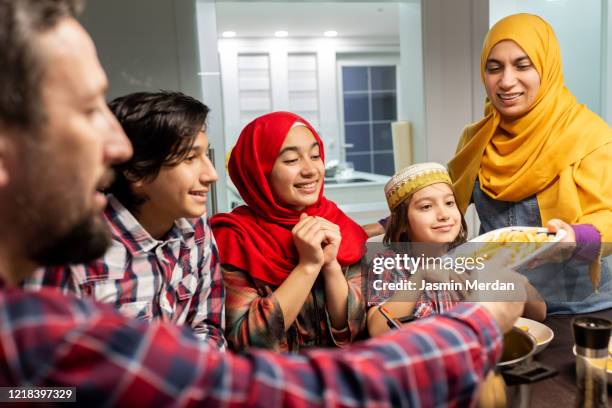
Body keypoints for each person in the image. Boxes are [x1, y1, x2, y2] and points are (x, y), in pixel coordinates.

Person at [0, 0, 526, 405]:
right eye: (86, 110)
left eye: (316, 154)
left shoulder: (193, 238)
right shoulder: (219, 237)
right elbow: (258, 376)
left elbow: (208, 345)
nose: (114, 147)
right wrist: (479, 322)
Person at [23, 91, 226, 349]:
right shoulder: (72, 248)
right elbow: (35, 373)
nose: (211, 174)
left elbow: (208, 326)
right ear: (135, 170)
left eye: (205, 156)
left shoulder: (196, 228)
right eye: (190, 158)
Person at [448, 13, 612, 314]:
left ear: (546, 68)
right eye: (494, 68)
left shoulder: (590, 135)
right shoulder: (475, 139)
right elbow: (445, 205)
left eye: (523, 65)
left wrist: (574, 239)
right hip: (503, 307)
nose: (507, 81)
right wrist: (385, 226)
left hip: (583, 310)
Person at [211, 112, 366, 352]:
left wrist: (331, 266)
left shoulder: (338, 224)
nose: (311, 170)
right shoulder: (234, 236)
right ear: (260, 171)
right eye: (292, 160)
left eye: (315, 156)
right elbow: (246, 340)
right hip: (272, 381)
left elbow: (355, 330)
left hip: (338, 376)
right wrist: (307, 266)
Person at [366, 163, 546, 337]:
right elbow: (377, 330)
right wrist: (420, 277)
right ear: (403, 222)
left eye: (449, 203)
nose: (444, 215)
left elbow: (538, 315)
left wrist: (516, 280)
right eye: (426, 206)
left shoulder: (477, 255)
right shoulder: (389, 263)